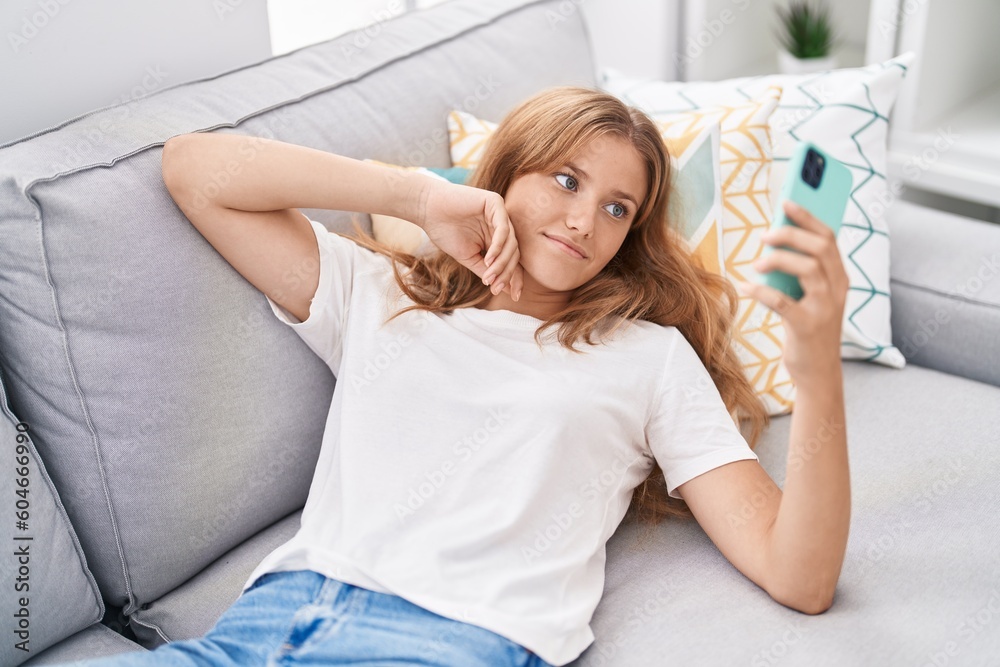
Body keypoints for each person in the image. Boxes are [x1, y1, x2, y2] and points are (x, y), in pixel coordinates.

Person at [71, 86, 850, 667]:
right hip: (263, 624)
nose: (584, 221)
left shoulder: (648, 357)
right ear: (506, 175)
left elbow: (800, 574)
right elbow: (193, 169)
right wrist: (418, 196)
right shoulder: (379, 292)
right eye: (566, 180)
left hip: (450, 641)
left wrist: (817, 369)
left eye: (619, 209)